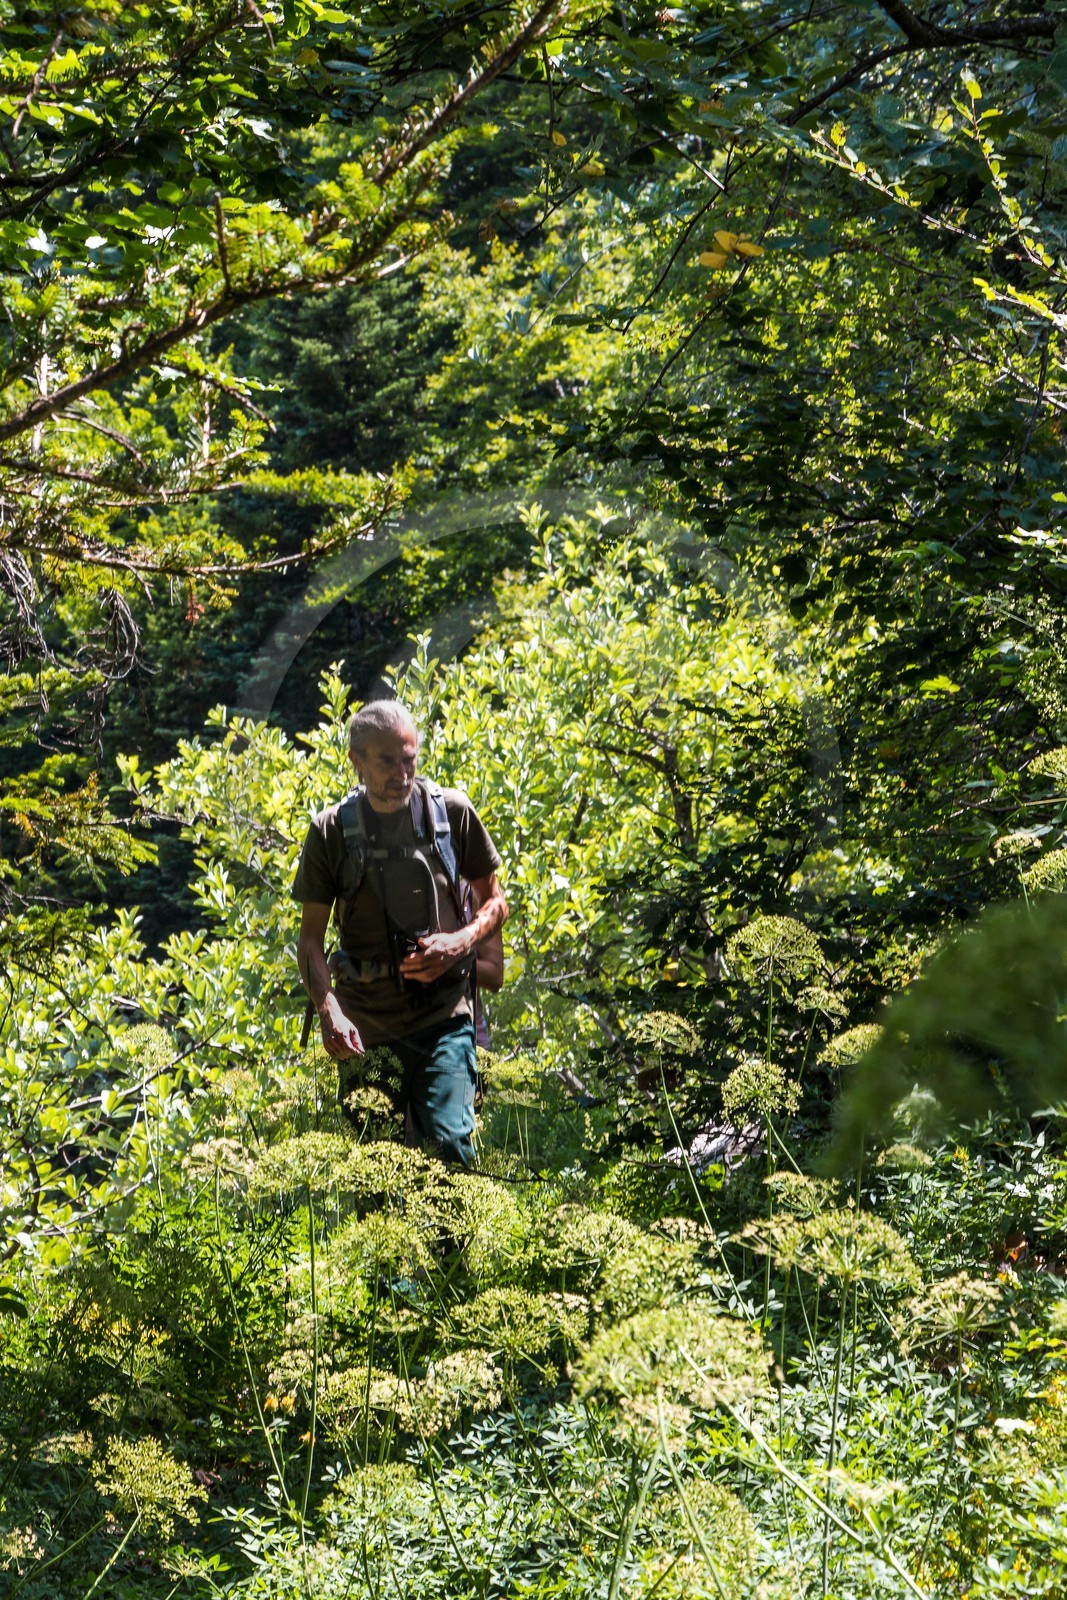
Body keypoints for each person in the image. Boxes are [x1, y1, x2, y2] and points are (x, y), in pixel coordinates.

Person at [292, 699, 507, 1166]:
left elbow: (496, 904)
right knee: (377, 1173)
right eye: (387, 761)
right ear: (357, 760)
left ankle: (456, 1219)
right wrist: (329, 1010)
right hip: (365, 1025)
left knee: (450, 1147)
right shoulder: (330, 832)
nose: (401, 774)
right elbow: (309, 941)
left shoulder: (452, 813)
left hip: (444, 1016)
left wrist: (460, 942)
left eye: (409, 760)